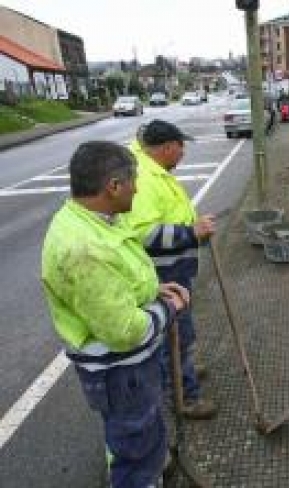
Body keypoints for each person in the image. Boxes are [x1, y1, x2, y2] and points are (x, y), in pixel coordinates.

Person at [41, 141, 190, 488]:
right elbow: (126, 331)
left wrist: (153, 291)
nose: (137, 188)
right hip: (121, 372)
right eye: (133, 180)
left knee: (137, 434)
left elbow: (120, 276)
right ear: (113, 186)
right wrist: (168, 308)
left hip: (128, 371)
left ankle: (149, 467)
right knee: (135, 451)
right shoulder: (83, 249)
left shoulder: (98, 221)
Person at [119, 119, 217, 420]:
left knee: (178, 334)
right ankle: (184, 396)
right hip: (164, 273)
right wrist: (191, 233)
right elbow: (144, 233)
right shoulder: (145, 177)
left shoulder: (151, 168)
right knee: (172, 336)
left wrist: (194, 229)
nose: (183, 153)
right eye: (180, 147)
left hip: (173, 268)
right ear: (167, 147)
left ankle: (181, 368)